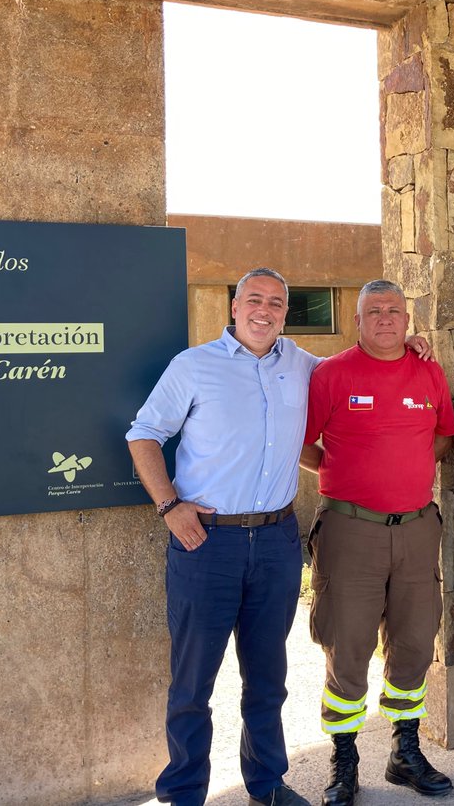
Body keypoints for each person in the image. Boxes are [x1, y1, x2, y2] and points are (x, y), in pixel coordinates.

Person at [127, 268, 314, 806]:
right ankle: (184, 793)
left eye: (276, 303)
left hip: (277, 542)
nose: (265, 310)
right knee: (193, 683)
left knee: (268, 677)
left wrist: (409, 342)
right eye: (254, 299)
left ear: (285, 312)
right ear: (234, 306)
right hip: (206, 545)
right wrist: (169, 506)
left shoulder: (301, 364)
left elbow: (360, 370)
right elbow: (143, 434)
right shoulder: (193, 366)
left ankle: (267, 784)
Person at [301, 279, 454, 805]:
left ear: (408, 320)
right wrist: (343, 473)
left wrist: (405, 474)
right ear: (359, 320)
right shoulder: (331, 374)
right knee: (347, 645)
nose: (386, 318)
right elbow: (303, 444)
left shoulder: (429, 371)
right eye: (375, 311)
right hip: (351, 530)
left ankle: (403, 752)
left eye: (395, 310)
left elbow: (443, 436)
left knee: (413, 643)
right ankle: (344, 761)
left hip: (416, 528)